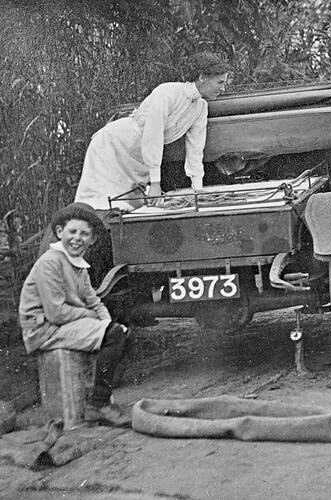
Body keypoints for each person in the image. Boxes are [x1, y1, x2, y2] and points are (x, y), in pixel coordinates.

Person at [72, 51, 230, 286]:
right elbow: (153, 135)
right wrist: (155, 182)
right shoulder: (167, 92)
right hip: (114, 147)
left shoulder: (201, 108)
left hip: (141, 159)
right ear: (202, 77)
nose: (223, 88)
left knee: (132, 208)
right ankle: (83, 274)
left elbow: (195, 150)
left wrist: (197, 191)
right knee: (102, 206)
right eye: (220, 82)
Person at [19, 203, 132, 426]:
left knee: (119, 332)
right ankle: (99, 405)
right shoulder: (51, 262)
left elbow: (94, 300)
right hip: (43, 329)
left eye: (84, 234)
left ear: (92, 240)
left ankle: (98, 398)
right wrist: (91, 317)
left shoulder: (78, 265)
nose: (77, 238)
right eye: (72, 232)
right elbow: (56, 312)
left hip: (63, 324)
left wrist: (105, 321)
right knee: (113, 335)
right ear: (60, 232)